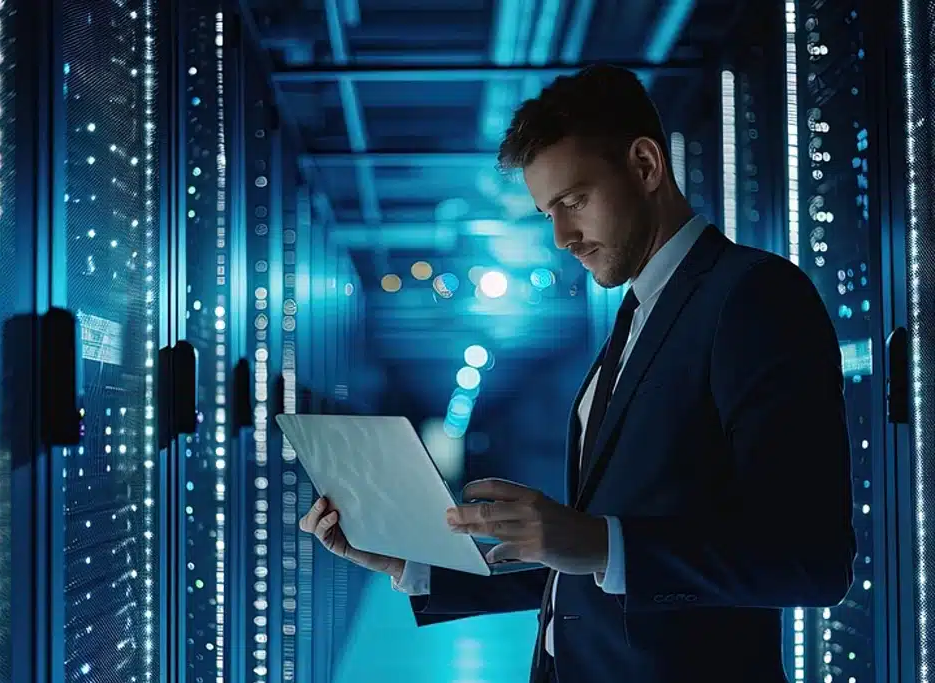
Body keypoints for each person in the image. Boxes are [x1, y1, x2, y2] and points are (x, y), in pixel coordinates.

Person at [299, 64, 856, 683]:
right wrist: (413, 564)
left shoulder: (753, 297)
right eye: (547, 213)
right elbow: (592, 570)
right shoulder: (636, 315)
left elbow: (811, 562)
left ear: (645, 165)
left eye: (575, 201)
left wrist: (598, 540)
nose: (562, 236)